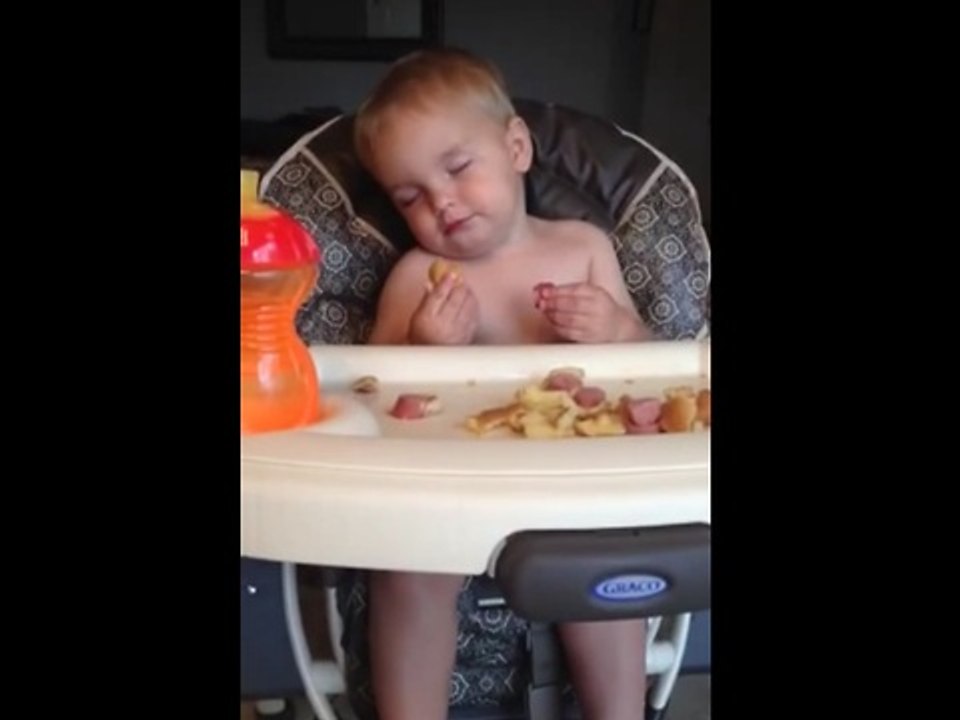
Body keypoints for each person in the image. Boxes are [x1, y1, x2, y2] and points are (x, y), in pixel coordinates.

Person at [354, 47, 652, 720]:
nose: (442, 203)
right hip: (453, 484)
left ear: (516, 146)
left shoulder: (583, 249)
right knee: (409, 575)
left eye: (458, 168)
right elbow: (368, 391)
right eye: (411, 197)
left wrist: (612, 329)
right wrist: (421, 348)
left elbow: (645, 362)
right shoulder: (418, 276)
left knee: (600, 571)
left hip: (570, 484)